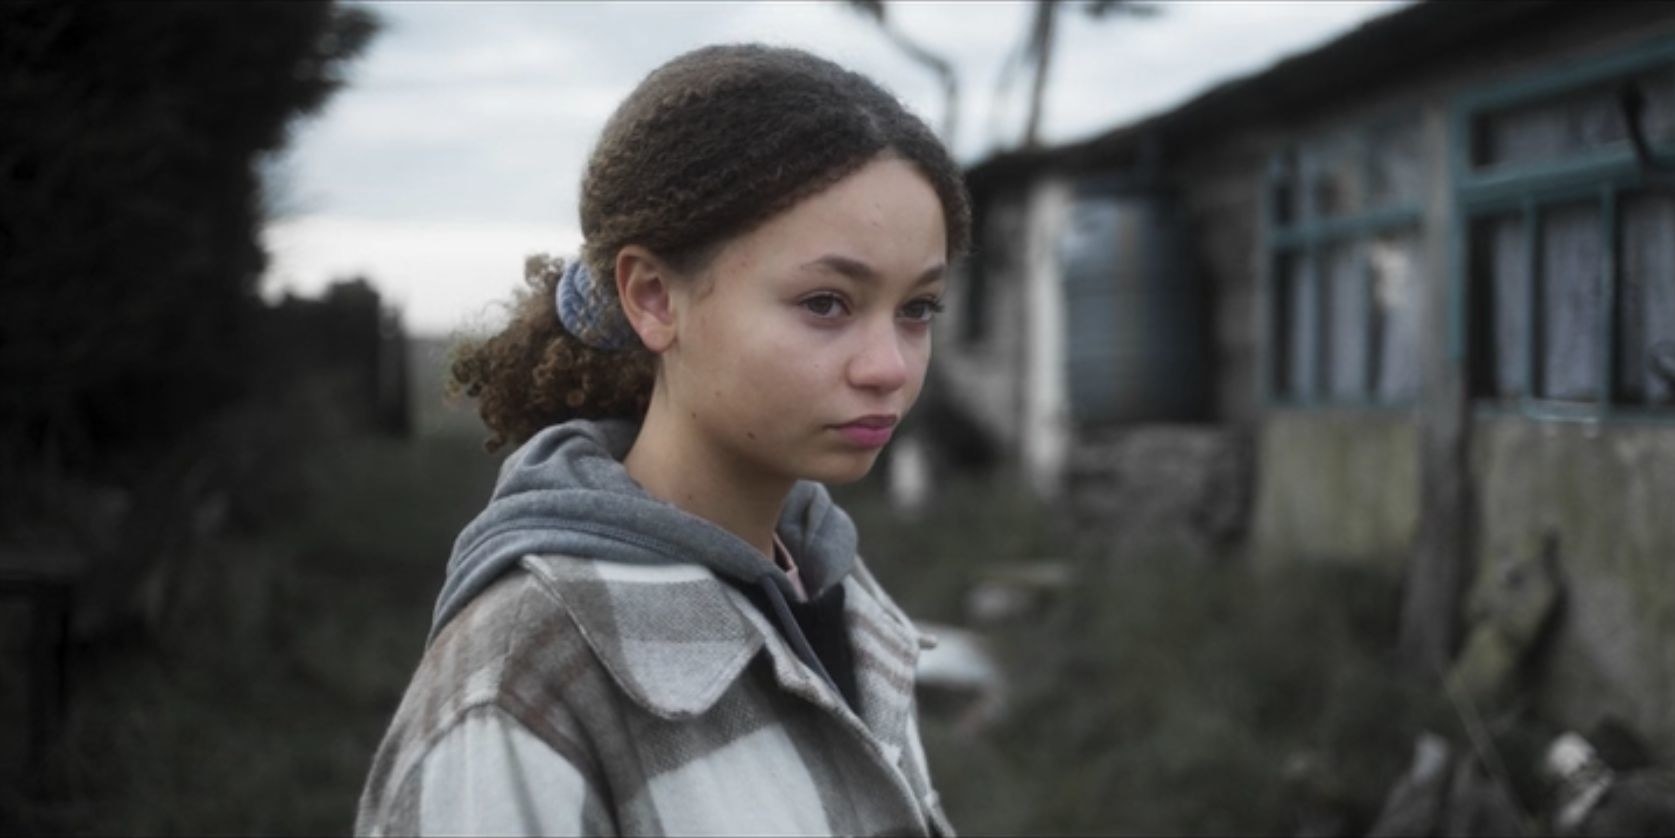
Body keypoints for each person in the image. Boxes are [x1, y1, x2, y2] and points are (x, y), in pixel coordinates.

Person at [354, 42, 972, 837]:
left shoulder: (830, 588)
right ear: (653, 298)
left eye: (917, 308)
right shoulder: (518, 685)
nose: (888, 366)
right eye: (825, 302)